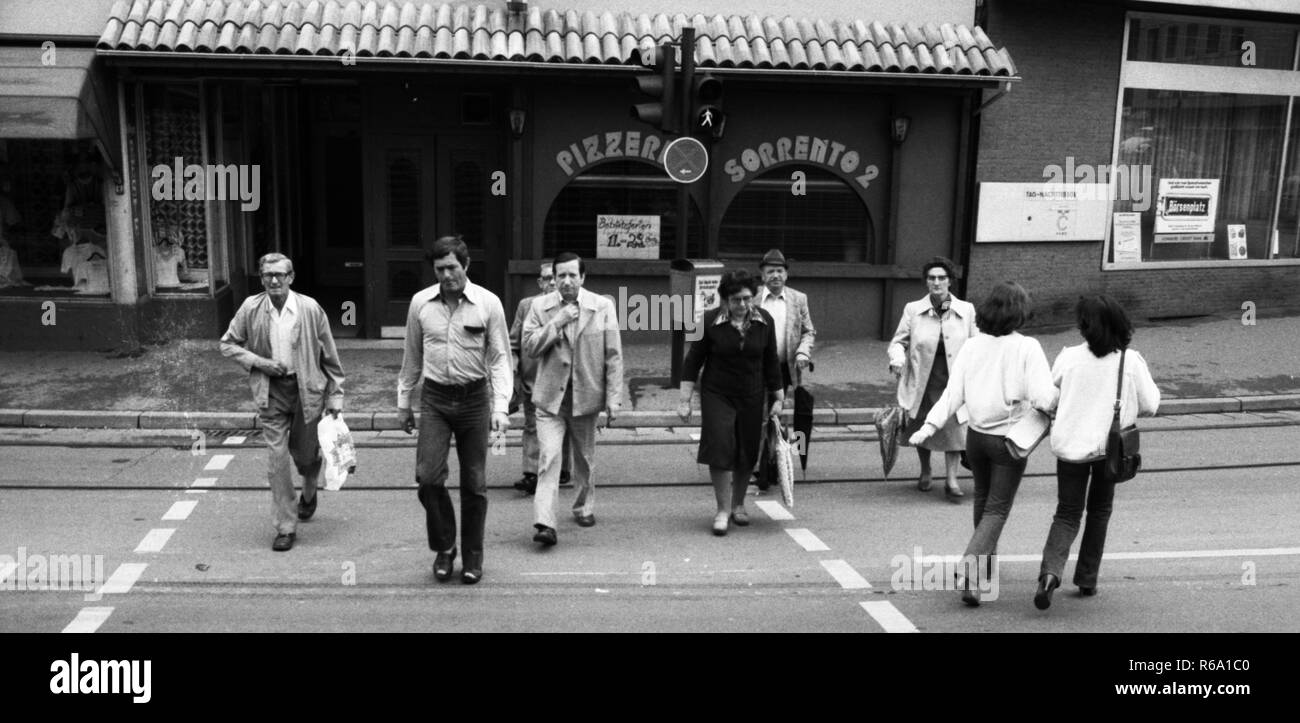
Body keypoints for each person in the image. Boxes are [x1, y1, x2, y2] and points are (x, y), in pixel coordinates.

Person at [909, 281, 1055, 606]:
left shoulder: (972, 347)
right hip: (1009, 439)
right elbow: (1044, 397)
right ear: (1019, 313)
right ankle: (971, 568)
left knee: (983, 503)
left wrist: (928, 427)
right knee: (998, 508)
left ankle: (978, 580)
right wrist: (1059, 399)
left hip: (975, 439)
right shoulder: (1027, 347)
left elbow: (951, 396)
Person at [397, 235, 512, 585]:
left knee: (474, 484)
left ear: (466, 265)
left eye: (452, 267)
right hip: (434, 399)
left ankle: (473, 555)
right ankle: (445, 547)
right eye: (439, 269)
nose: (446, 275)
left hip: (475, 400)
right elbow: (411, 356)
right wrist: (404, 402)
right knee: (429, 479)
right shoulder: (420, 304)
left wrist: (501, 407)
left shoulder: (488, 304)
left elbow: (499, 358)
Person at [1034, 294, 1159, 610]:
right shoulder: (1130, 361)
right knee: (1099, 512)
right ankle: (1087, 579)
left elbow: (1049, 398)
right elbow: (1151, 405)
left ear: (1084, 326)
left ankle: (1050, 574)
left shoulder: (1069, 357)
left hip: (1070, 450)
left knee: (1066, 513)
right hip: (1109, 452)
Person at [220, 253, 345, 552]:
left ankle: (310, 489)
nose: (273, 280)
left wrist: (336, 395)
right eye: (267, 275)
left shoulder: (309, 309)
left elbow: (329, 354)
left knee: (305, 457)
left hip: (307, 391)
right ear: (261, 278)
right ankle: (286, 527)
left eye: (279, 275)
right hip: (271, 392)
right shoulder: (251, 307)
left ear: (291, 277)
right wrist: (260, 363)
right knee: (277, 462)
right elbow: (227, 343)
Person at [522, 252, 624, 546]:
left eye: (572, 275)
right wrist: (557, 322)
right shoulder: (540, 307)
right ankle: (545, 523)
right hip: (549, 401)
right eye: (561, 276)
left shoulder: (602, 306)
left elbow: (613, 355)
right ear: (553, 279)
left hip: (585, 397)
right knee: (549, 459)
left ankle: (583, 506)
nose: (566, 281)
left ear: (583, 277)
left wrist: (613, 399)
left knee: (584, 459)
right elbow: (530, 347)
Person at [678, 269, 784, 536]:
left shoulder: (765, 321)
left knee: (747, 449)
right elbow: (693, 361)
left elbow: (771, 360)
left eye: (747, 298)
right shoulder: (709, 321)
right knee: (721, 446)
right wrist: (685, 399)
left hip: (752, 393)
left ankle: (739, 505)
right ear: (724, 299)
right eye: (736, 300)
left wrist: (778, 397)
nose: (742, 305)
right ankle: (723, 509)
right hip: (717, 394)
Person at [888, 256, 978, 500]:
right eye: (931, 278)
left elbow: (977, 343)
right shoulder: (913, 309)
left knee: (955, 429)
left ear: (950, 281)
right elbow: (898, 342)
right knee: (922, 426)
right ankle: (925, 470)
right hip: (923, 379)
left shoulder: (966, 310)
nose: (936, 282)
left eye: (941, 278)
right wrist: (897, 359)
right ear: (926, 282)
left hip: (954, 380)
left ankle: (951, 478)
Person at [754, 248, 816, 490]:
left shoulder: (798, 299)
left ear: (786, 275)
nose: (776, 275)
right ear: (762, 275)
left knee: (779, 415)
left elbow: (809, 331)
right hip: (757, 368)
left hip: (785, 368)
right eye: (770, 271)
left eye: (780, 271)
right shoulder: (754, 299)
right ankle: (762, 464)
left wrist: (803, 352)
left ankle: (780, 459)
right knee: (760, 414)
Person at [509, 260, 571, 494]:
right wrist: (513, 371)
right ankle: (531, 473)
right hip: (532, 380)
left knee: (562, 425)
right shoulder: (527, 306)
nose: (552, 282)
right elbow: (513, 342)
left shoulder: (571, 306)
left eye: (554, 277)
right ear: (539, 282)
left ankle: (563, 468)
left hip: (561, 380)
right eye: (546, 278)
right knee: (532, 425)